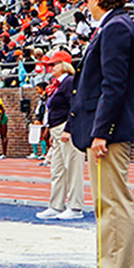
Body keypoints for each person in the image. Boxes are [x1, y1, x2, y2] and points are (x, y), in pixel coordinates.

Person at [66, 0, 134, 268]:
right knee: (113, 201)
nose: (85, 1)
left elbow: (112, 85)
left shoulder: (115, 28)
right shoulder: (120, 25)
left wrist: (101, 131)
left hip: (111, 131)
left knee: (111, 202)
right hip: (112, 128)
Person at [36, 50, 85, 220]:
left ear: (64, 65)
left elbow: (75, 107)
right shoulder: (57, 84)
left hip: (66, 129)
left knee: (73, 169)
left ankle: (75, 206)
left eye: (54, 64)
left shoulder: (70, 82)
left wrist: (69, 129)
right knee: (57, 169)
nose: (50, 68)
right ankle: (56, 205)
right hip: (57, 130)